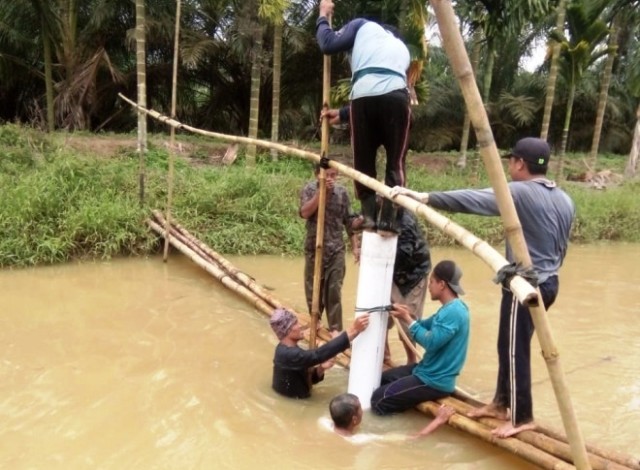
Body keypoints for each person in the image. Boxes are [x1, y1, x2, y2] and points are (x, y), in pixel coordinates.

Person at [391, 137, 576, 438]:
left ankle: (522, 417)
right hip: (545, 281)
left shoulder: (518, 192)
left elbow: (474, 200)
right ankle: (501, 403)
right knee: (508, 345)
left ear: (518, 163)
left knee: (516, 352)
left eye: (511, 162)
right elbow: (561, 248)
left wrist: (425, 197)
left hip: (526, 286)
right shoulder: (565, 198)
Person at [315, 0, 411, 235]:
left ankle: (368, 216)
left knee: (364, 161)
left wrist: (322, 15)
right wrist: (344, 114)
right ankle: (388, 221)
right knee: (395, 162)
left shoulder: (362, 26)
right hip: (397, 100)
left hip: (363, 100)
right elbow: (386, 90)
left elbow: (327, 44)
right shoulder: (401, 49)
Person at [370, 260, 470, 415]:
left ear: (442, 284)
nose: (428, 286)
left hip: (434, 381)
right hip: (425, 370)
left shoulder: (454, 312)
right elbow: (423, 325)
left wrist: (408, 320)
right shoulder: (448, 309)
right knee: (382, 379)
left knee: (378, 400)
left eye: (431, 282)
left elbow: (431, 342)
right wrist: (407, 315)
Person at [300, 164, 361, 333]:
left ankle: (335, 329)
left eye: (334, 175)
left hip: (336, 249)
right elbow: (304, 213)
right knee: (313, 288)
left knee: (334, 290)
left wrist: (356, 247)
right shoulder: (310, 189)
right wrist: (321, 193)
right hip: (314, 248)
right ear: (317, 174)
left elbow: (349, 221)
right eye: (328, 175)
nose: (331, 179)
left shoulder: (341, 193)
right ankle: (316, 322)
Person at [270, 308, 370, 399]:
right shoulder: (289, 354)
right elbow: (318, 355)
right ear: (288, 331)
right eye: (295, 323)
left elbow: (306, 379)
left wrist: (321, 368)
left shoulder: (286, 350)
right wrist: (353, 330)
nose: (300, 325)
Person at [385, 207, 432, 365]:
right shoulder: (378, 213)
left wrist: (379, 261)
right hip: (392, 272)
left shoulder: (405, 221)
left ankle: (412, 362)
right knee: (381, 313)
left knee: (407, 320)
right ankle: (385, 355)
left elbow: (405, 252)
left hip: (413, 275)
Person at [327, 392, 455, 441]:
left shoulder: (324, 424)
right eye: (360, 408)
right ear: (354, 420)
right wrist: (438, 420)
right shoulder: (360, 439)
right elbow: (414, 438)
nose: (363, 411)